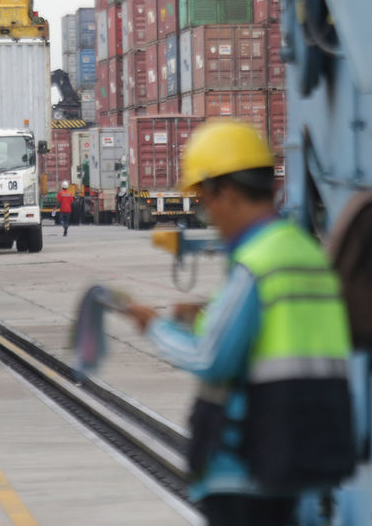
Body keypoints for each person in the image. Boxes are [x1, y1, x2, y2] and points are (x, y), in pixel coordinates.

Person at [121, 121, 355, 525]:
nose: (208, 216)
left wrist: (153, 326)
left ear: (227, 194)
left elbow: (209, 356)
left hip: (248, 467)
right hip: (305, 461)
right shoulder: (306, 254)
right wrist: (208, 316)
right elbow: (280, 339)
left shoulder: (257, 261)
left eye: (206, 202)